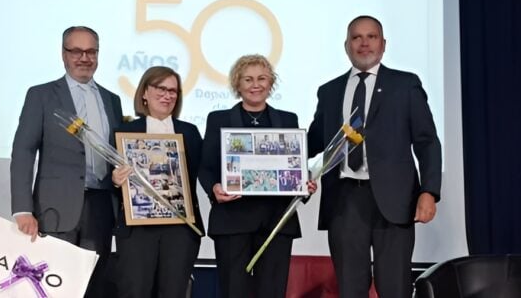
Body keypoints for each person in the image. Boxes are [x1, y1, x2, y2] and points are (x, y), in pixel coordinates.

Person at [307, 15, 442, 298]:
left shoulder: (405, 85)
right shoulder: (329, 91)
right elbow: (313, 144)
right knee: (350, 288)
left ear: (383, 44)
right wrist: (292, 171)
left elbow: (427, 141)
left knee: (394, 288)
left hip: (395, 202)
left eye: (371, 36)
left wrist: (429, 191)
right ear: (346, 45)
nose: (364, 43)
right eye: (357, 37)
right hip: (344, 202)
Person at [10, 26, 123, 297]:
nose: (84, 58)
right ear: (63, 54)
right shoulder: (41, 95)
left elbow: (116, 153)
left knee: (93, 286)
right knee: (53, 287)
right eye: (77, 51)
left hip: (101, 208)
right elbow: (24, 151)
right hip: (55, 209)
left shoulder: (112, 100)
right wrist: (22, 209)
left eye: (91, 51)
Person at [198, 54, 316, 298]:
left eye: (262, 78)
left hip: (276, 222)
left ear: (271, 82)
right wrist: (214, 189)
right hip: (232, 220)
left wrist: (304, 186)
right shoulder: (218, 119)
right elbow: (206, 167)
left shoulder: (288, 119)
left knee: (272, 292)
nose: (255, 85)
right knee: (233, 292)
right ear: (237, 84)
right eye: (248, 79)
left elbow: (295, 166)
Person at [110, 66, 204, 298]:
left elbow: (202, 173)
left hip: (180, 230)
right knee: (135, 291)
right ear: (144, 92)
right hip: (137, 231)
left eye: (173, 91)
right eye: (161, 88)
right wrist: (115, 180)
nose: (167, 95)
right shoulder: (124, 131)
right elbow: (108, 179)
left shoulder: (190, 132)